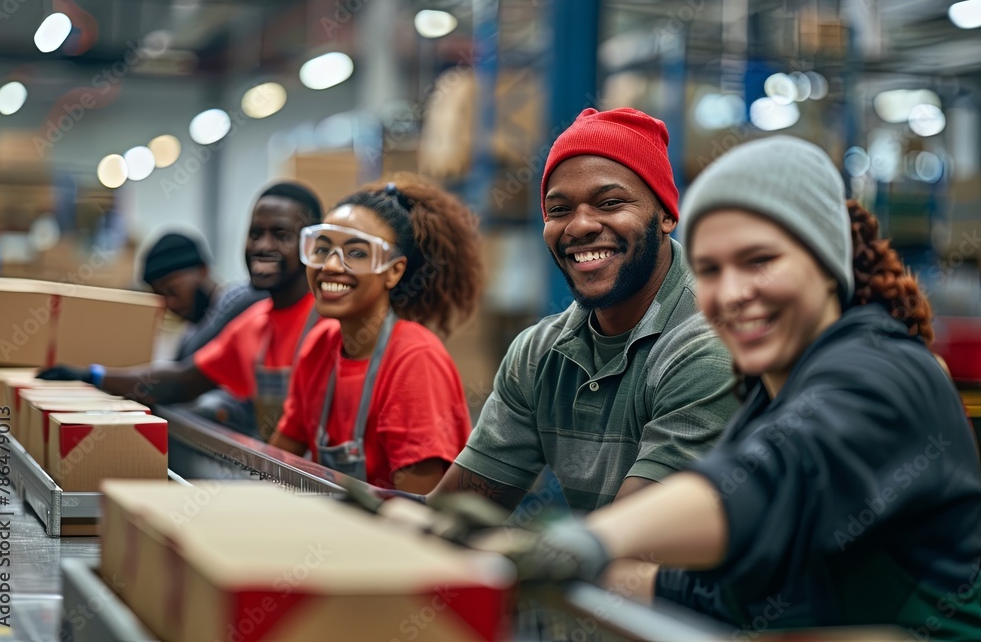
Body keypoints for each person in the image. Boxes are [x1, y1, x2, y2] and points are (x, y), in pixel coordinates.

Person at [516, 137, 981, 638]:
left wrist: (589, 541)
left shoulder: (884, 375)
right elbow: (728, 592)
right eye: (711, 270)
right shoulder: (768, 398)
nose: (733, 294)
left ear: (826, 265)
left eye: (759, 260)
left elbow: (769, 480)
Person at [430, 107, 738, 513]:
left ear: (665, 214)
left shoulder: (707, 347)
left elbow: (637, 535)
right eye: (559, 210)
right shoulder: (540, 353)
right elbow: (456, 508)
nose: (579, 226)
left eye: (609, 203)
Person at [38, 181, 323, 440]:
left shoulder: (329, 324)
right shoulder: (252, 324)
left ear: (311, 246)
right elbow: (181, 381)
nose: (263, 246)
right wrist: (92, 376)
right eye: (255, 234)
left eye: (281, 235)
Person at [269, 174, 481, 495]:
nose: (331, 265)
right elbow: (277, 463)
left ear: (393, 271)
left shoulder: (414, 359)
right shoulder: (319, 345)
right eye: (322, 249)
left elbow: (413, 509)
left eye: (356, 253)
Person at [141, 231, 266, 361]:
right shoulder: (187, 338)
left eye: (173, 291)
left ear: (202, 270)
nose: (170, 303)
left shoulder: (239, 300)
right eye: (161, 296)